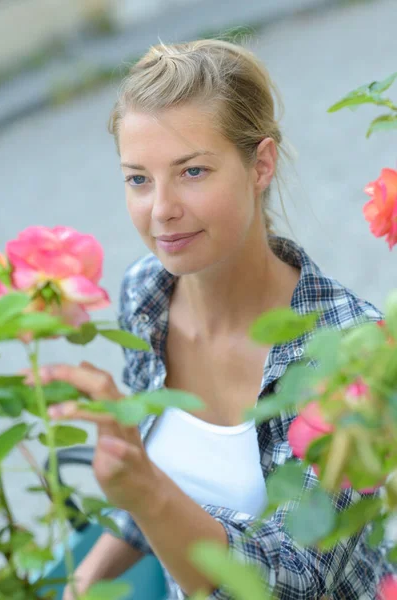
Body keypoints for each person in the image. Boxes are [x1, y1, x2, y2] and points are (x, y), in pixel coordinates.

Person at [25, 39, 395, 599]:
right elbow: (164, 487)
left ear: (261, 164)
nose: (161, 209)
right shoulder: (146, 295)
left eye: (192, 171)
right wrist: (80, 582)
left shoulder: (350, 347)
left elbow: (301, 580)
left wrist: (144, 490)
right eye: (138, 178)